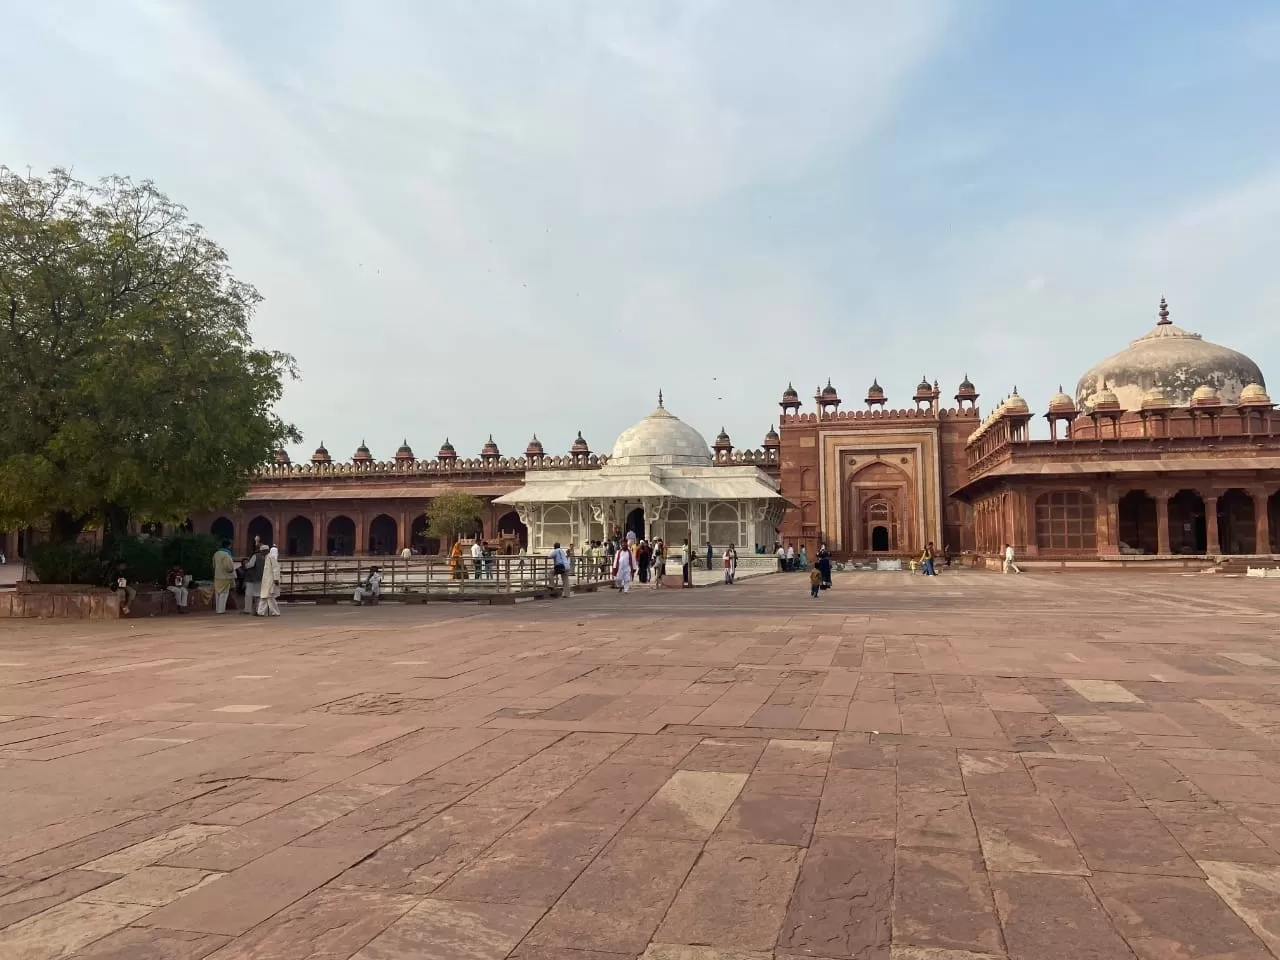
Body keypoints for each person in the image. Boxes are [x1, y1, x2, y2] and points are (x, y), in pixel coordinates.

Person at [257, 546, 282, 616]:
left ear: (265, 551)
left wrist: (276, 579)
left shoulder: (271, 557)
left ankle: (275, 612)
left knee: (269, 597)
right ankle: (260, 612)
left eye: (262, 551)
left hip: (270, 581)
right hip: (266, 581)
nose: (261, 553)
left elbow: (276, 568)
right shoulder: (266, 558)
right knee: (264, 596)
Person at [212, 540, 235, 614]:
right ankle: (221, 610)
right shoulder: (226, 554)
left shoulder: (216, 553)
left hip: (217, 575)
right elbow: (228, 566)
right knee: (224, 594)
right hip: (225, 576)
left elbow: (213, 564)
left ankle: (217, 609)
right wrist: (231, 570)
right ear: (228, 546)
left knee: (217, 593)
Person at [243, 544, 266, 614]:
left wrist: (246, 565)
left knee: (248, 594)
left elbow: (250, 565)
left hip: (252, 578)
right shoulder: (267, 557)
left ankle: (247, 610)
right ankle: (258, 610)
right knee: (259, 595)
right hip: (261, 577)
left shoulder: (255, 556)